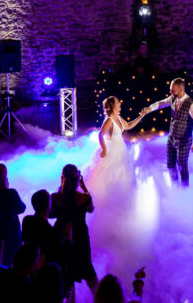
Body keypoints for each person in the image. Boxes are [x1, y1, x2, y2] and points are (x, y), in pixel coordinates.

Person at [143, 78, 193, 186]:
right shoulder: (173, 98)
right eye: (170, 90)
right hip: (171, 138)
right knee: (170, 165)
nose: (170, 92)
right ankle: (175, 187)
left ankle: (185, 189)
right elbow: (161, 103)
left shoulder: (192, 105)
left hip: (184, 140)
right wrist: (150, 108)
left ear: (181, 90)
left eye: (173, 90)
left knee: (181, 166)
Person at [50, 164, 98, 294]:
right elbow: (91, 208)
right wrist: (83, 186)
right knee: (88, 269)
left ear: (62, 178)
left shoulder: (54, 197)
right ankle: (101, 298)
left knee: (65, 271)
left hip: (61, 234)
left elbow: (50, 214)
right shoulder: (84, 198)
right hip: (80, 235)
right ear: (78, 179)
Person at [87, 96, 144, 201]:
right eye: (118, 102)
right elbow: (100, 135)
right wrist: (104, 149)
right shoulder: (109, 120)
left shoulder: (118, 117)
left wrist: (141, 116)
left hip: (120, 148)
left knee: (122, 173)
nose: (120, 103)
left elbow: (129, 125)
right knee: (110, 174)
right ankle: (108, 198)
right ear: (113, 105)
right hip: (111, 150)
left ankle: (121, 198)